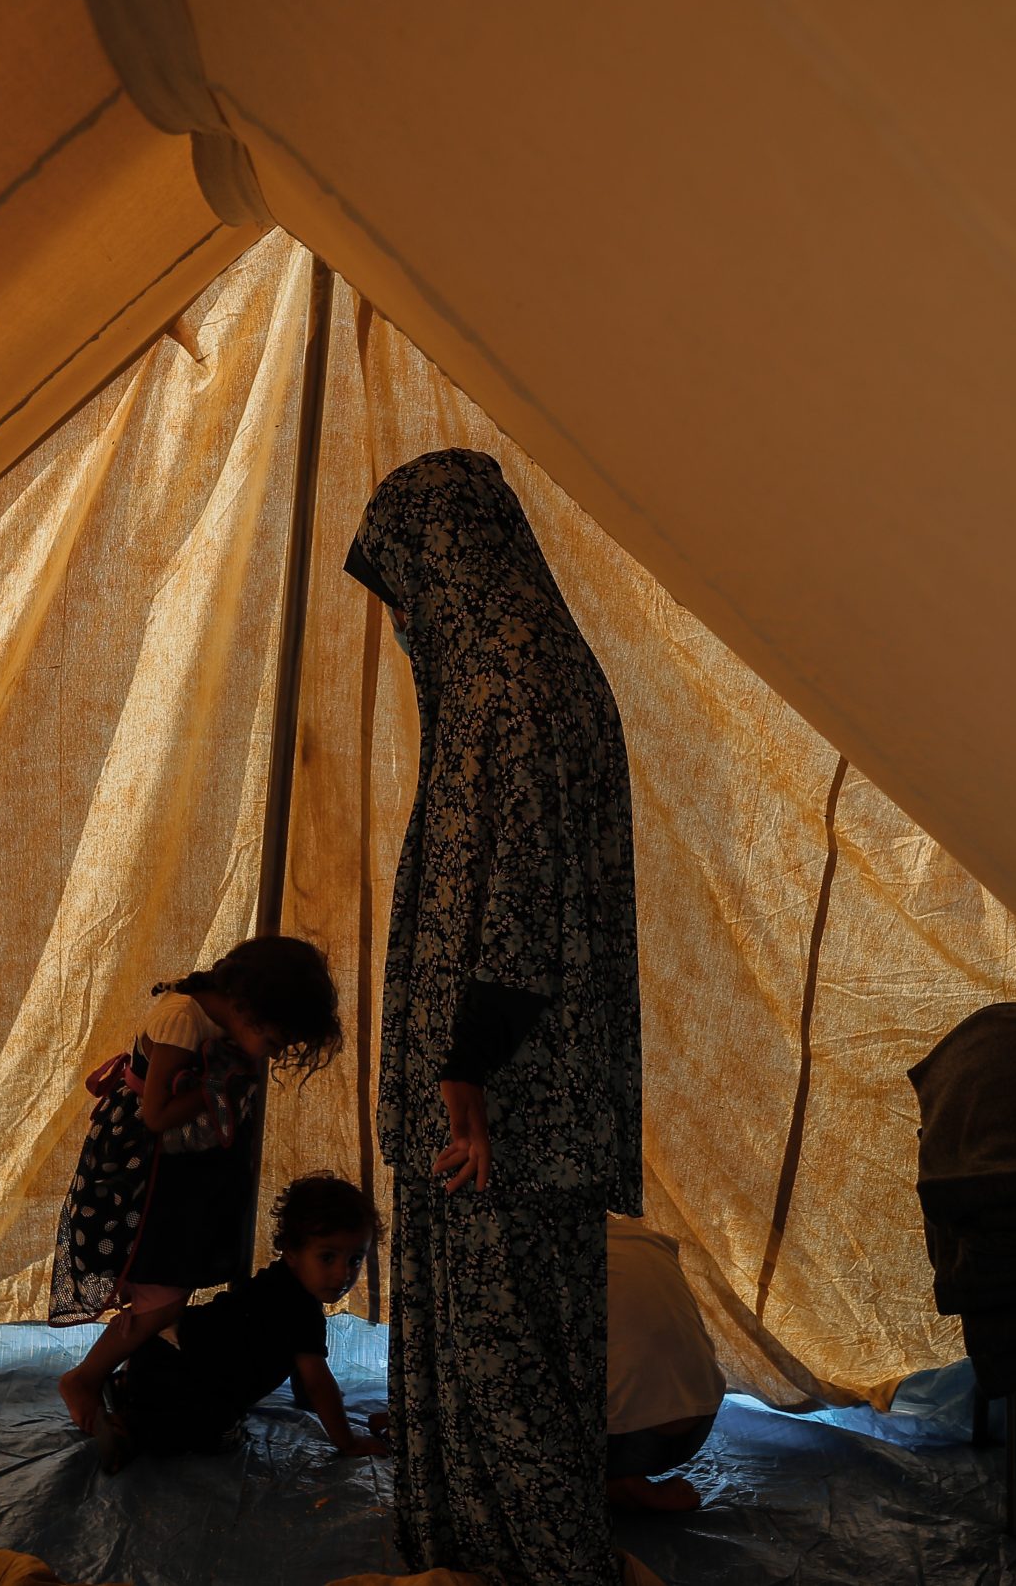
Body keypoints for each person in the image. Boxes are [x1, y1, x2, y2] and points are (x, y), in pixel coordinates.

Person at [345, 449, 642, 1585]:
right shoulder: (545, 667)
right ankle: (506, 1546)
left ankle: (522, 1559)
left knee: (499, 1353)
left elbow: (517, 903)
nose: (404, 621)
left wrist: (464, 1073)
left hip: (501, 1111)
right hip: (529, 1101)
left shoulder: (505, 689)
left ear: (444, 566)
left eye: (405, 589)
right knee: (532, 1347)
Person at [50, 936, 341, 1430]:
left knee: (170, 1283)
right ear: (247, 1009)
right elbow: (157, 1114)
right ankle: (85, 1377)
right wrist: (218, 1087)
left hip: (180, 1173)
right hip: (142, 1173)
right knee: (162, 1295)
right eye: (274, 1044)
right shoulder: (182, 1019)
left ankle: (126, 1380)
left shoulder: (218, 1022)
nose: (272, 1055)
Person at [89, 1172, 387, 1471]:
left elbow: (303, 1369)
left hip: (158, 1353)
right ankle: (129, 1433)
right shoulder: (300, 1311)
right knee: (214, 1433)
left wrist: (307, 1399)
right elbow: (318, 1384)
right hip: (187, 1385)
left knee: (169, 1396)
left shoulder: (276, 1281)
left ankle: (128, 1394)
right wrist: (348, 1442)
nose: (343, 1274)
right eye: (327, 1258)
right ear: (292, 1252)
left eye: (354, 1260)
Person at [604, 1216, 725, 1512]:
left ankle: (618, 1486)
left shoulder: (553, 1251)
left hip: (630, 1441)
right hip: (699, 1425)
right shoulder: (645, 1238)